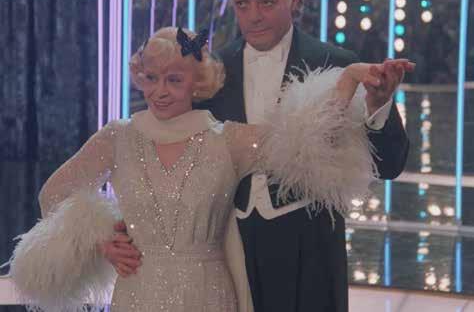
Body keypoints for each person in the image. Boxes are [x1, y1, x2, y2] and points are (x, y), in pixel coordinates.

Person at [8, 26, 412, 312]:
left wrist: (348, 80)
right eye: (151, 78)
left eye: (173, 79)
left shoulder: (227, 139)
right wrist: (101, 239)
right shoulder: (117, 137)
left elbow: (303, 139)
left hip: (210, 294)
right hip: (137, 293)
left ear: (197, 82)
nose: (159, 91)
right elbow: (53, 194)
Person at [103, 0, 411, 312]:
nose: (253, 17)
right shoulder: (210, 73)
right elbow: (166, 157)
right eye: (242, 4)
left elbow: (390, 165)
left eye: (266, 3)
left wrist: (377, 106)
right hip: (224, 249)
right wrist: (116, 230)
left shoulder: (337, 64)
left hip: (310, 247)